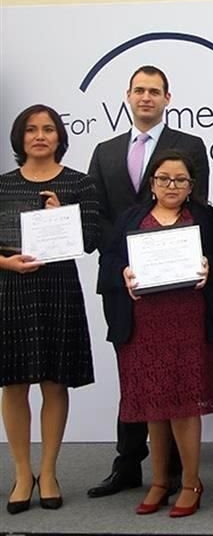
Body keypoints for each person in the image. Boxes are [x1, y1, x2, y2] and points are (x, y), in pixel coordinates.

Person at [87, 65, 209, 499]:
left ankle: (178, 474)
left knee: (172, 381)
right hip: (126, 285)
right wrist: (124, 258)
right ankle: (128, 464)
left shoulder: (189, 146)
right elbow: (96, 216)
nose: (146, 98)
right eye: (139, 90)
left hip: (177, 289)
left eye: (154, 91)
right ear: (128, 95)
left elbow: (199, 213)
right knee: (136, 378)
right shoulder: (105, 151)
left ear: (167, 98)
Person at [99, 151, 213, 517]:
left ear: (192, 186)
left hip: (190, 322)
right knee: (154, 405)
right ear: (152, 184)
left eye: (180, 180)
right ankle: (158, 481)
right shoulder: (131, 218)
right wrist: (123, 272)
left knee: (186, 406)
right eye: (164, 179)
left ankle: (190, 482)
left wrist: (210, 267)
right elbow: (108, 263)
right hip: (144, 325)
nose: (172, 186)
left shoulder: (205, 218)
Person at [1, 105, 99, 514]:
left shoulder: (80, 183)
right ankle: (23, 473)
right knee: (14, 384)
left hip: (58, 287)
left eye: (47, 129)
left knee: (55, 383)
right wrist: (4, 262)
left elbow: (92, 238)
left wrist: (64, 219)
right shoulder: (2, 185)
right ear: (20, 138)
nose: (39, 136)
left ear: (60, 136)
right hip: (11, 287)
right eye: (31, 130)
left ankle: (50, 469)